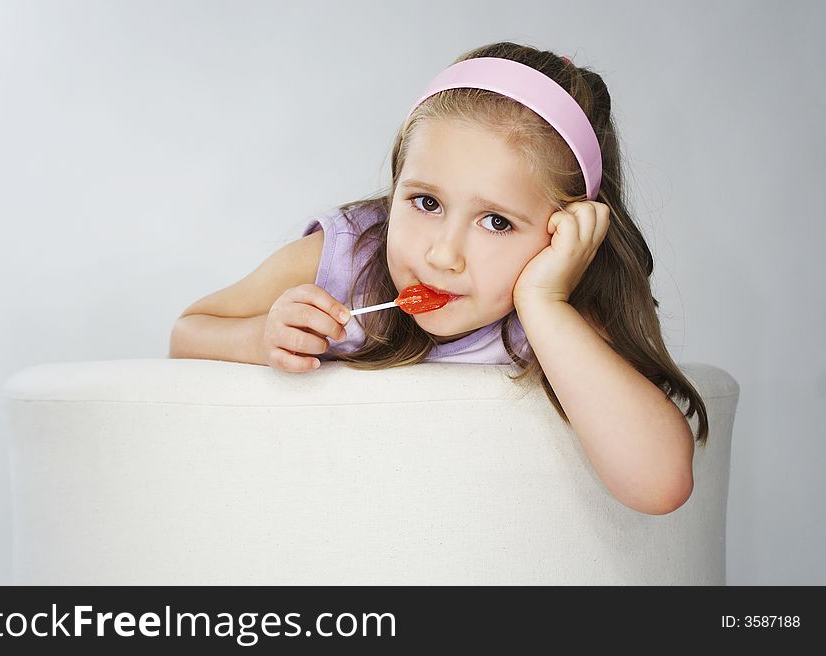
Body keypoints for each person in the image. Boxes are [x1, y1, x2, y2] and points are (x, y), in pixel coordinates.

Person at [171, 42, 709, 514]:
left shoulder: (563, 318)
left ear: (564, 234)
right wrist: (261, 337)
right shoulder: (341, 259)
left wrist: (545, 302)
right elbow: (187, 333)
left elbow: (659, 486)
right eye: (425, 202)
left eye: (496, 222)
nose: (443, 255)